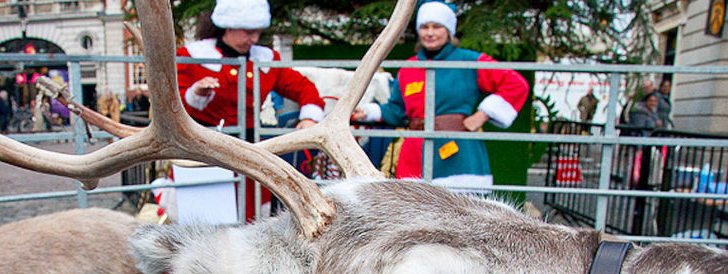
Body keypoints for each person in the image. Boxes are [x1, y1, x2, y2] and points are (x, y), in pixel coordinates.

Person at [352, 1, 528, 190]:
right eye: (424, 27)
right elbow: (398, 111)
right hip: (415, 153)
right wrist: (368, 112)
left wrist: (482, 115)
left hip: (458, 153)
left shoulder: (469, 61)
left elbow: (516, 84)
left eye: (437, 27)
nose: (430, 33)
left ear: (449, 30)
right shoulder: (408, 68)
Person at [176, 0, 325, 220]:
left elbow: (304, 87)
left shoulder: (266, 59)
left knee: (251, 218)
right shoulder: (192, 57)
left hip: (250, 151)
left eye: (257, 33)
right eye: (248, 32)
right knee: (203, 220)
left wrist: (309, 119)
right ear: (228, 26)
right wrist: (196, 94)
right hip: (203, 152)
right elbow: (172, 104)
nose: (253, 39)